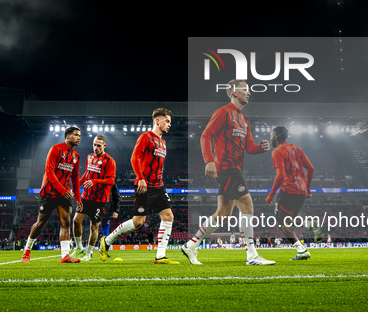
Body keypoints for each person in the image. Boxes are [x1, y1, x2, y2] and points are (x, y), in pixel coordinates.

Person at [181, 79, 274, 265]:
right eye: (245, 90)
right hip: (226, 168)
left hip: (235, 168)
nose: (248, 93)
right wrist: (209, 161)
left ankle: (191, 245)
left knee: (223, 213)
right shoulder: (222, 112)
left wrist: (260, 148)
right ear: (234, 92)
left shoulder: (244, 119)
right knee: (247, 205)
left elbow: (248, 146)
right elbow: (206, 135)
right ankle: (252, 255)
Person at [99, 108, 179, 264]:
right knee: (138, 222)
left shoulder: (163, 142)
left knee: (168, 215)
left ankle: (160, 255)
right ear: (158, 120)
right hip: (144, 186)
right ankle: (107, 241)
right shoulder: (146, 137)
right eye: (167, 121)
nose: (169, 125)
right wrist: (141, 178)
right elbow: (134, 158)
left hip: (158, 186)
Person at [22, 126, 83, 263]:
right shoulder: (55, 149)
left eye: (80, 135)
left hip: (65, 194)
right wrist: (63, 190)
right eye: (76, 135)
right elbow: (49, 172)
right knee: (41, 223)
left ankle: (65, 256)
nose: (79, 137)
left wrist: (78, 198)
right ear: (67, 136)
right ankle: (27, 251)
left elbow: (75, 177)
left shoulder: (76, 156)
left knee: (66, 222)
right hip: (49, 192)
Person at [265, 126, 315, 261]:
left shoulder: (277, 151)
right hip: (301, 191)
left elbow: (280, 175)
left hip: (288, 190)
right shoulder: (298, 149)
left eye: (271, 136)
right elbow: (311, 168)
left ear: (276, 137)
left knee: (281, 223)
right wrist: (308, 188)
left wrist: (270, 195)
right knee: (289, 219)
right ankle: (307, 223)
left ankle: (301, 250)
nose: (270, 139)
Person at [70, 134, 116, 261]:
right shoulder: (90, 157)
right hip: (86, 196)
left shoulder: (109, 161)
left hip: (100, 200)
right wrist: (77, 185)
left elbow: (111, 180)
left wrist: (95, 181)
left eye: (98, 146)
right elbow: (87, 173)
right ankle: (79, 248)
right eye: (94, 145)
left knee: (93, 226)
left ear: (104, 146)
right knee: (75, 221)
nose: (96, 148)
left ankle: (89, 253)